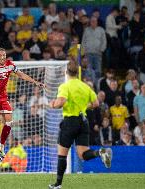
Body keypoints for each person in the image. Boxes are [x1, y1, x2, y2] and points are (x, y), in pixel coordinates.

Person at [48, 61, 112, 189]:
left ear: (66, 72)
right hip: (83, 122)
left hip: (70, 122)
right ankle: (100, 152)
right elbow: (95, 103)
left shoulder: (65, 86)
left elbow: (61, 102)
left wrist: (53, 104)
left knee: (62, 155)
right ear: (77, 73)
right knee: (83, 154)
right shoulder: (86, 86)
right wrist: (83, 106)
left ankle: (58, 184)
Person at [0, 46, 44, 161]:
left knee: (9, 121)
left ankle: (1, 145)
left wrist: (35, 82)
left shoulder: (10, 65)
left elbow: (21, 75)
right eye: (0, 55)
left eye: (4, 55)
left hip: (2, 96)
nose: (2, 57)